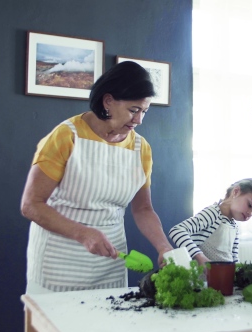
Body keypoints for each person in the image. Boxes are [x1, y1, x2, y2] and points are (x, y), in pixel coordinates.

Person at [21, 61, 174, 293]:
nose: (139, 120)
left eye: (144, 111)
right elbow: (31, 205)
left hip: (111, 260)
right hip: (59, 259)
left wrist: (164, 247)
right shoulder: (66, 136)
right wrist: (82, 233)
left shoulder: (141, 148)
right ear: (108, 101)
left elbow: (143, 209)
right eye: (134, 110)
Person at [168, 178, 252, 266]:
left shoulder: (234, 227)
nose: (250, 214)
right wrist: (200, 257)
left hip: (221, 282)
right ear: (236, 192)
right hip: (203, 283)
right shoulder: (214, 213)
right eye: (250, 205)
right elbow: (177, 231)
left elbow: (234, 259)